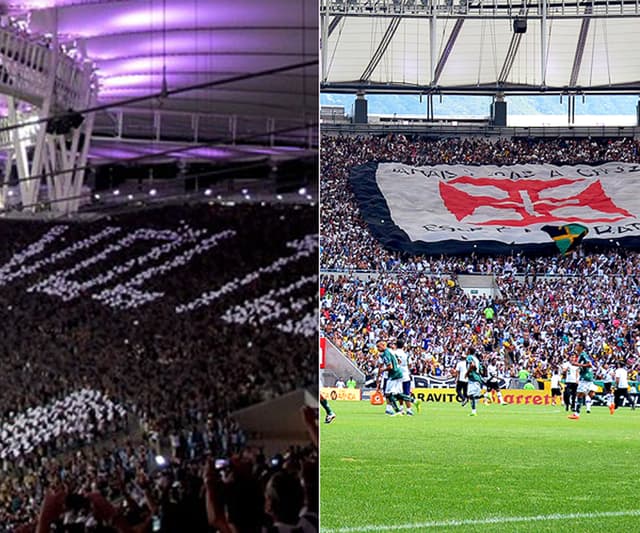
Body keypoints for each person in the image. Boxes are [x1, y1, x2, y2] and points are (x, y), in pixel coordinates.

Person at [569, 343, 593, 420]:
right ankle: (610, 404)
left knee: (580, 394)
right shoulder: (581, 355)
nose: (575, 347)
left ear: (581, 347)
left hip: (586, 376)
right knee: (584, 394)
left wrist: (577, 364)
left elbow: (589, 365)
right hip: (585, 376)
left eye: (577, 345)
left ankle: (577, 414)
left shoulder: (583, 355)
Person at [392, 339, 417, 415]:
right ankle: (409, 409)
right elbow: (410, 365)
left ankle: (401, 407)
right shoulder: (406, 354)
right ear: (403, 346)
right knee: (406, 393)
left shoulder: (393, 353)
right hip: (405, 375)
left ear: (396, 345)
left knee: (399, 392)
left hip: (397, 375)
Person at [464, 348, 483, 416]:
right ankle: (473, 411)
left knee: (471, 395)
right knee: (474, 396)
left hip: (473, 378)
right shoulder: (476, 359)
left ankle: (485, 396)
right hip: (477, 378)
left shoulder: (469, 357)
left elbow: (472, 365)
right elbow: (482, 370)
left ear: (469, 351)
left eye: (467, 350)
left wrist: (467, 373)